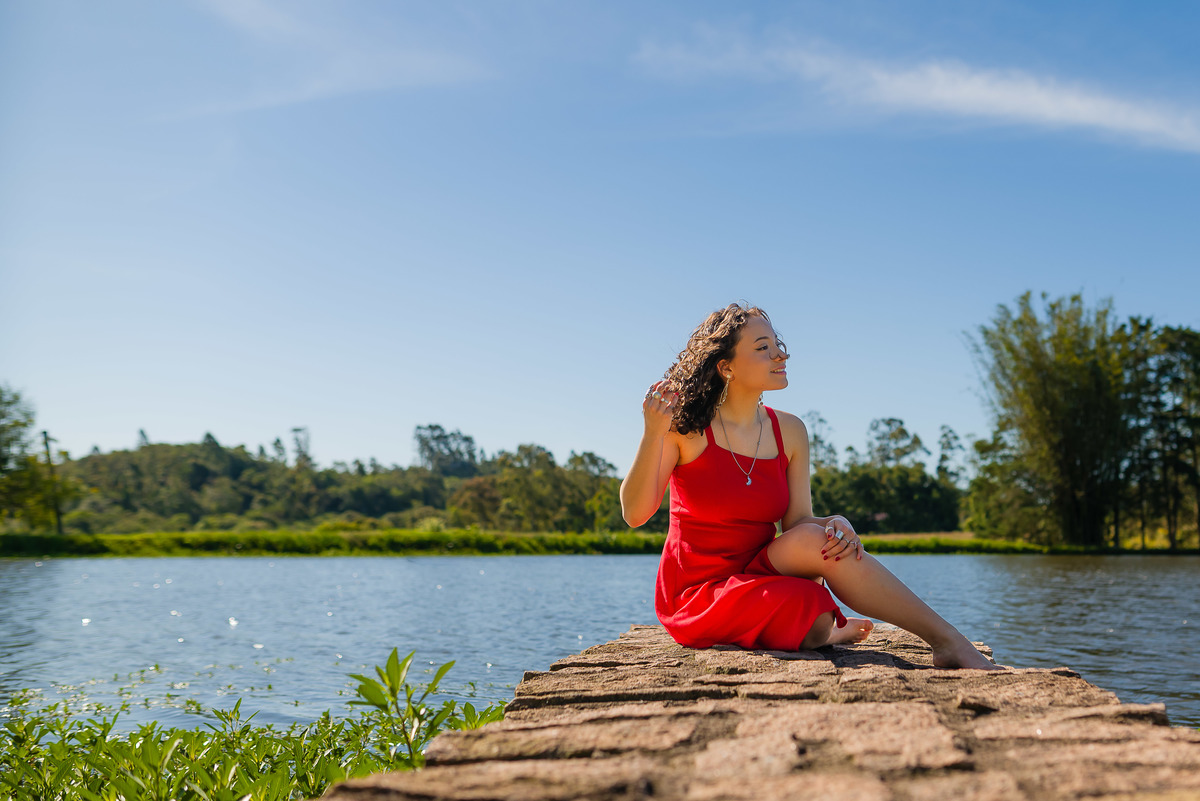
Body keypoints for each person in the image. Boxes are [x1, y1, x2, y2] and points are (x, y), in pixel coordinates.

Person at [620, 303, 1000, 669]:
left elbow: (798, 522)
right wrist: (652, 433)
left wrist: (835, 522)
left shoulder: (791, 431)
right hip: (700, 593)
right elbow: (635, 514)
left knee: (822, 554)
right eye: (763, 348)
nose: (779, 356)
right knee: (813, 610)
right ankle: (832, 633)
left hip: (761, 570)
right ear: (727, 367)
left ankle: (947, 641)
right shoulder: (684, 430)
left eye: (777, 345)